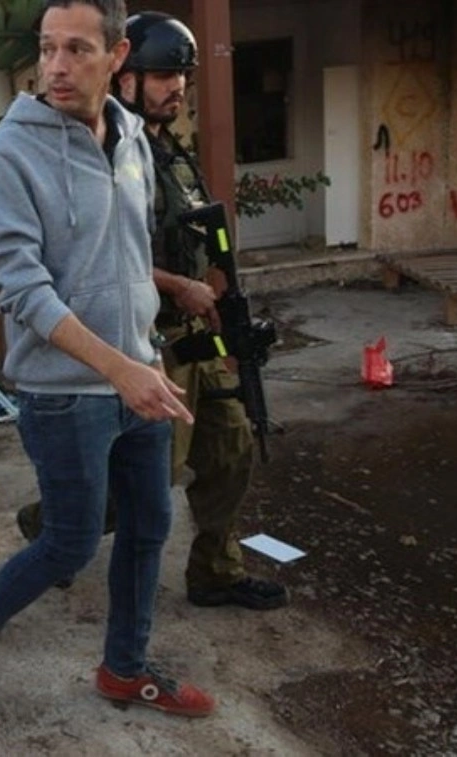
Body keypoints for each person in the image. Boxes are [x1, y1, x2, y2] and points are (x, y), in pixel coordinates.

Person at [0, 0, 215, 737]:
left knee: (150, 525)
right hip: (65, 393)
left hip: (138, 373)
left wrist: (155, 325)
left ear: (116, 56)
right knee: (70, 541)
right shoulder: (9, 153)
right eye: (48, 48)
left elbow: (122, 256)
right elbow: (21, 288)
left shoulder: (132, 138)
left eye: (77, 49)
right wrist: (120, 369)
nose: (56, 66)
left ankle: (124, 665)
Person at [16, 11, 289, 612]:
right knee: (147, 477)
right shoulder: (107, 152)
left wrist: (218, 294)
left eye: (182, 76)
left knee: (230, 448)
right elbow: (109, 250)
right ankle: (49, 529)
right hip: (145, 340)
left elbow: (199, 234)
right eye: (165, 75)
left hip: (196, 332)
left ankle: (215, 572)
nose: (178, 88)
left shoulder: (171, 153)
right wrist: (179, 286)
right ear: (125, 76)